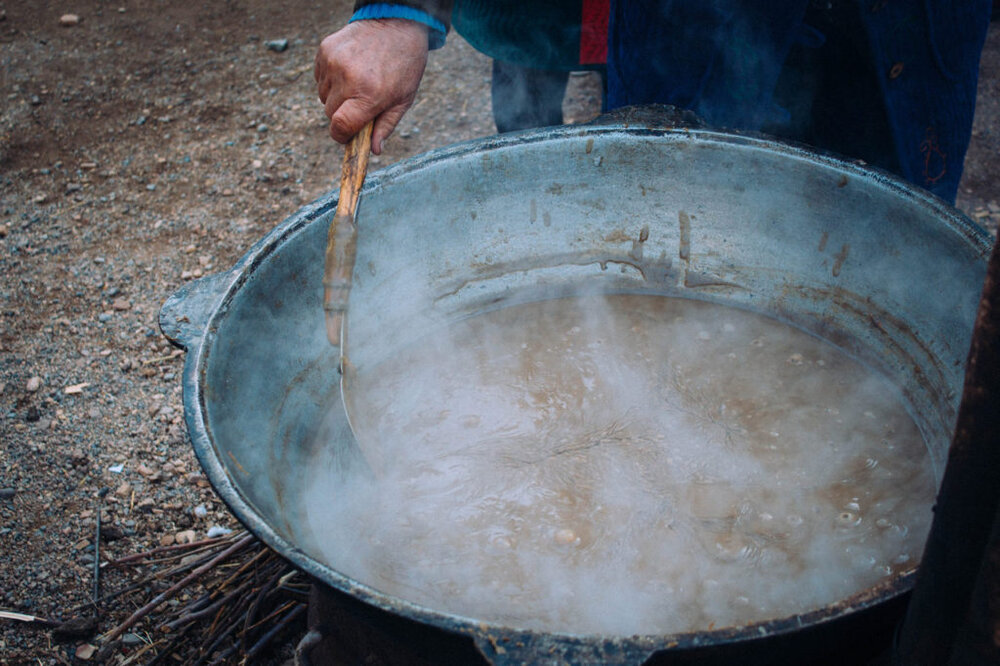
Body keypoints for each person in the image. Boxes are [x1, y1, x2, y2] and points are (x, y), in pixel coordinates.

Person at [315, 1, 991, 203]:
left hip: (909, 30)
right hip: (695, 26)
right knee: (658, 236)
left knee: (887, 280)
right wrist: (399, 8)